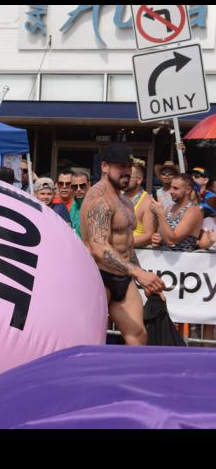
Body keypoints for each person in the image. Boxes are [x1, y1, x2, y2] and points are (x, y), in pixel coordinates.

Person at [80, 143, 165, 346]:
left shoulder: (125, 202)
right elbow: (98, 248)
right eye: (120, 166)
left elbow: (127, 245)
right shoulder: (98, 199)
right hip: (98, 276)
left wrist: (143, 278)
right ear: (104, 167)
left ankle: (133, 370)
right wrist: (138, 273)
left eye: (128, 166)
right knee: (92, 339)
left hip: (123, 277)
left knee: (138, 335)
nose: (126, 171)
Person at [150, 173, 203, 252]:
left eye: (175, 188)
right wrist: (157, 238)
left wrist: (160, 214)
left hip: (183, 258)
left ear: (188, 190)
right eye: (171, 187)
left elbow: (171, 240)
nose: (170, 191)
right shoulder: (170, 207)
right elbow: (163, 234)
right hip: (164, 257)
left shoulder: (193, 211)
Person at [123, 162, 155, 248]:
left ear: (139, 179)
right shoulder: (118, 197)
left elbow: (149, 236)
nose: (124, 179)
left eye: (128, 176)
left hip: (137, 252)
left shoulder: (147, 202)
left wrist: (120, 243)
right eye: (123, 176)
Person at [69, 170, 91, 238]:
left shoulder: (95, 205)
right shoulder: (73, 205)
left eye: (82, 186)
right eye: (75, 187)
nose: (78, 189)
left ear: (89, 185)